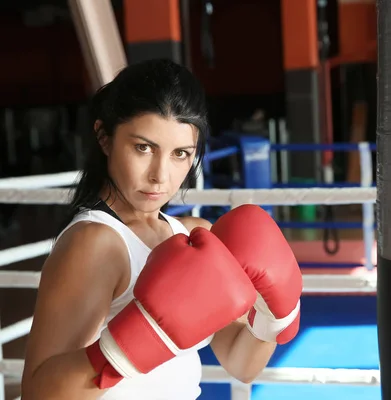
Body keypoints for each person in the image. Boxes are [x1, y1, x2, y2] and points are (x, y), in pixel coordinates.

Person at [20, 59, 302, 400]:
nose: (160, 175)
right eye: (143, 148)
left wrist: (274, 318)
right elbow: (39, 393)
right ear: (104, 137)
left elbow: (240, 363)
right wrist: (129, 348)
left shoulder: (192, 235)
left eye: (180, 153)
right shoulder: (96, 243)